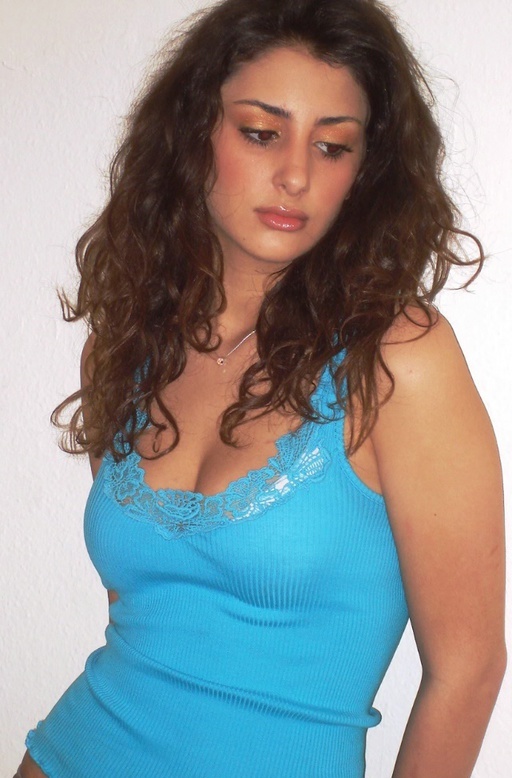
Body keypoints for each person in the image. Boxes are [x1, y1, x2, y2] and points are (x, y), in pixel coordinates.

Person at [18, 0, 506, 776]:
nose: (296, 175)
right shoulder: (133, 342)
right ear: (194, 135)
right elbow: (140, 613)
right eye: (260, 132)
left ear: (363, 173)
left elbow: (469, 670)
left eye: (333, 146)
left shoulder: (395, 360)